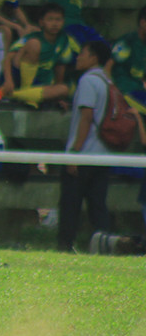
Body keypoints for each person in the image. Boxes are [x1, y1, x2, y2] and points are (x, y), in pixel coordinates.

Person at [58, 41, 114, 252]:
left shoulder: (88, 81)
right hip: (103, 154)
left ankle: (65, 246)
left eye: (82, 53)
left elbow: (87, 117)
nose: (78, 57)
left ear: (93, 58)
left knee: (70, 203)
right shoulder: (107, 81)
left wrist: (75, 152)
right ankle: (105, 246)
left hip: (85, 153)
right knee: (98, 205)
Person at [0, 3, 77, 107]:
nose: (55, 23)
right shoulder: (32, 37)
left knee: (64, 89)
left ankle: (17, 96)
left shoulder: (64, 41)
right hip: (16, 78)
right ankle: (26, 92)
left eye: (58, 20)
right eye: (50, 19)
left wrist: (57, 97)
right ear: (41, 22)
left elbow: (60, 71)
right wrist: (8, 81)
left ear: (63, 22)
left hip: (39, 82)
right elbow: (8, 59)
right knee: (34, 44)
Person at [109, 4, 146, 114]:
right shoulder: (128, 41)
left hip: (140, 89)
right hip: (125, 89)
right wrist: (112, 93)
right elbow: (108, 67)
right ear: (143, 22)